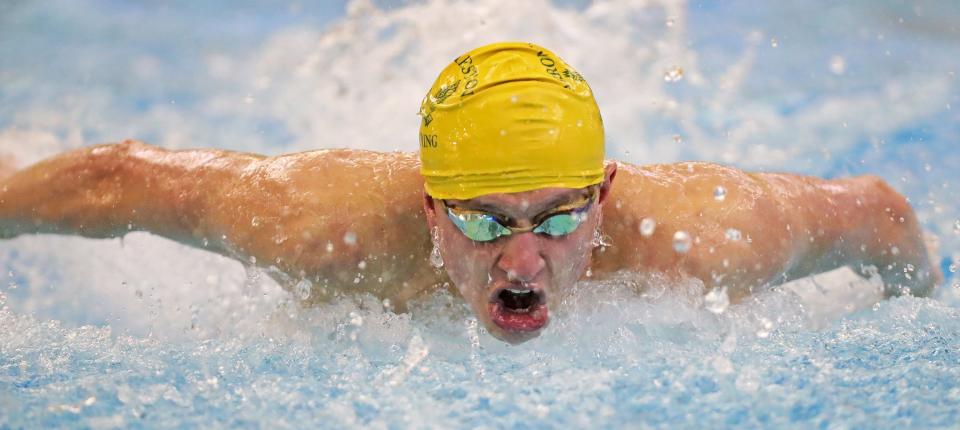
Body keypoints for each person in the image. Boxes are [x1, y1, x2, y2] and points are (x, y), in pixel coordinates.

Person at [0, 42, 940, 344]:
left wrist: (923, 313)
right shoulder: (321, 225)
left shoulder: (707, 240)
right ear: (428, 211)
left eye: (560, 218)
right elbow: (115, 178)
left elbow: (881, 211)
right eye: (486, 223)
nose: (523, 262)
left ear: (606, 195)